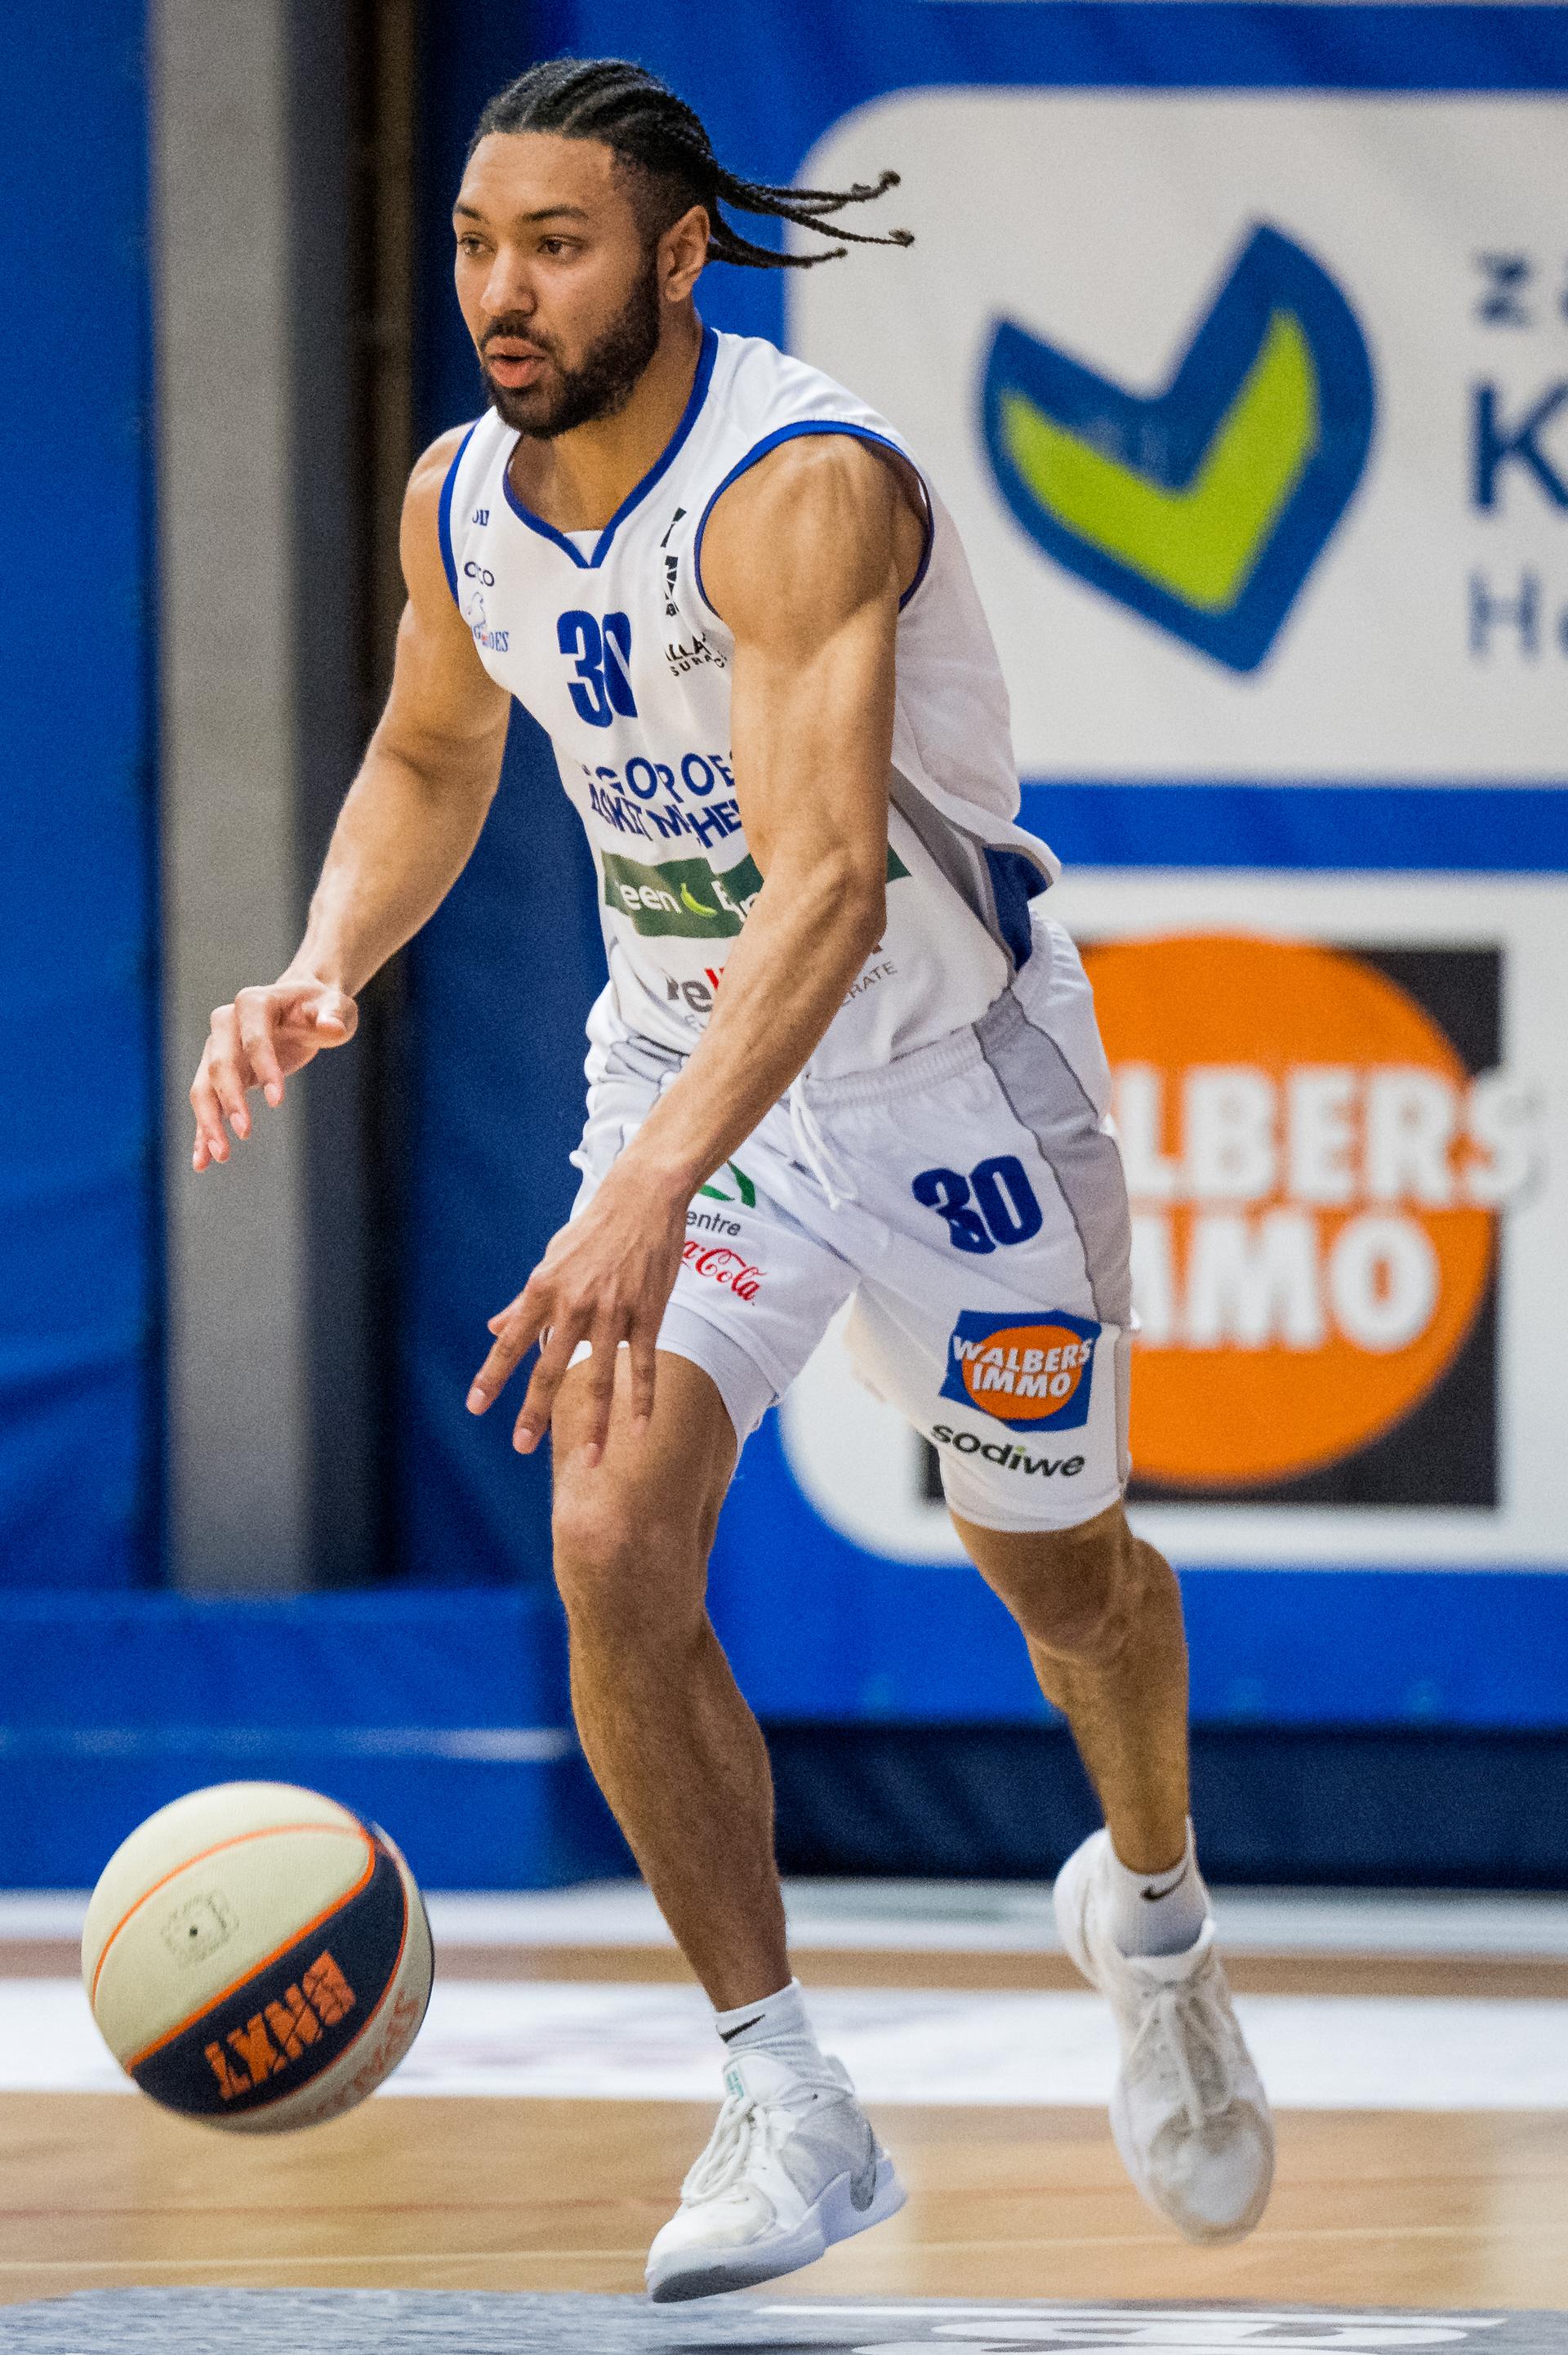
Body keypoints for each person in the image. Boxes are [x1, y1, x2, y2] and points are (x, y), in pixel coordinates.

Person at [191, 56, 1273, 2303]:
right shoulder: (462, 501)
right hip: (695, 1076)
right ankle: (788, 2087)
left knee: (1062, 1582)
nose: (501, 289)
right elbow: (429, 738)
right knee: (609, 1530)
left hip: (956, 1089)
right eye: (479, 244)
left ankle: (1154, 1917)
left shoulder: (798, 489)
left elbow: (825, 900)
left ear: (680, 253)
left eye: (554, 245)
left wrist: (626, 1193)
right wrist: (319, 958)